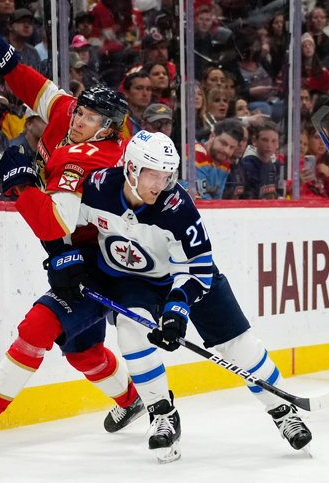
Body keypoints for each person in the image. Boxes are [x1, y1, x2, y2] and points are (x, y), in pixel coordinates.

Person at [0, 27, 144, 453]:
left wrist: (22, 186)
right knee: (82, 350)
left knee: (38, 327)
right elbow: (39, 90)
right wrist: (7, 62)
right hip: (86, 255)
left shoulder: (100, 156)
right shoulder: (71, 119)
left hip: (107, 261)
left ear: (108, 128)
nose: (77, 120)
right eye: (79, 113)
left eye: (89, 119)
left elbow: (55, 224)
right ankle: (131, 401)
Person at [74, 132, 313, 461]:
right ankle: (162, 414)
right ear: (130, 168)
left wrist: (175, 311)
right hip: (136, 279)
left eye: (167, 174)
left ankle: (283, 411)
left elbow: (196, 267)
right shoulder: (97, 187)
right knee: (131, 333)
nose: (161, 183)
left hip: (189, 277)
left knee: (239, 346)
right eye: (153, 174)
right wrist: (68, 260)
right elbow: (71, 227)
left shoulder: (177, 205)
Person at [194, 118, 246, 199]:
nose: (226, 150)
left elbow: (217, 199)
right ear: (212, 136)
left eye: (232, 147)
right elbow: (197, 197)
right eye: (223, 143)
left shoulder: (224, 162)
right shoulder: (195, 152)